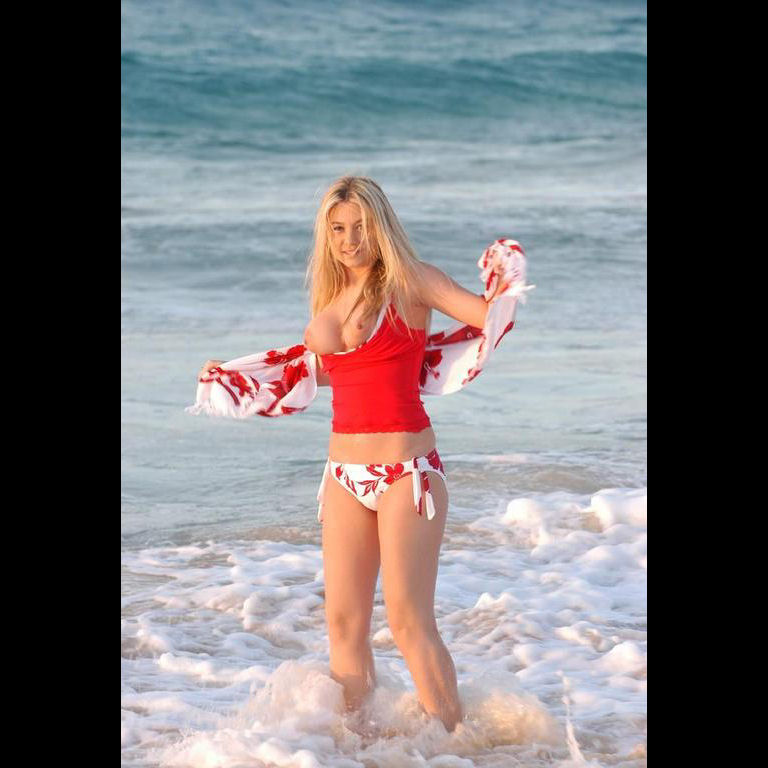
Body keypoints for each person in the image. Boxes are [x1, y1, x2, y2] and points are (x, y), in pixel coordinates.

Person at [195, 175, 529, 733]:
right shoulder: (330, 297)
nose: (349, 240)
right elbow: (340, 373)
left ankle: (452, 746)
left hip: (407, 472)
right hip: (343, 475)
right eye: (337, 229)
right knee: (343, 626)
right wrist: (242, 377)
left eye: (360, 227)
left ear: (382, 227)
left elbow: (486, 316)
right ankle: (355, 747)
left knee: (408, 622)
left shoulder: (412, 280)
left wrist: (505, 275)